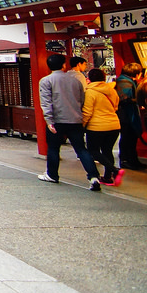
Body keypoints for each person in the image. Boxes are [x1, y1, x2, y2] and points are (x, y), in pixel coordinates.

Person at [37, 54, 102, 191]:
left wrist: (49, 120)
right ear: (64, 65)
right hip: (75, 119)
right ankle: (93, 176)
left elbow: (46, 102)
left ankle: (52, 175)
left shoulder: (46, 81)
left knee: (54, 148)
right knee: (81, 149)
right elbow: (82, 99)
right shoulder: (75, 81)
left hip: (57, 120)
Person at [82, 68, 123, 186]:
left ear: (89, 78)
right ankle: (107, 177)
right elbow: (115, 106)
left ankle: (115, 170)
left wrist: (83, 125)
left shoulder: (90, 92)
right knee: (107, 151)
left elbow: (87, 112)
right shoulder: (111, 90)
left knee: (93, 151)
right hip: (114, 124)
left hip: (96, 126)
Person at [114, 62, 145, 170]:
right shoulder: (125, 82)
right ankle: (126, 160)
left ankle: (132, 160)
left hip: (125, 115)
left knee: (130, 138)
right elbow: (125, 99)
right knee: (128, 138)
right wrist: (139, 101)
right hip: (126, 115)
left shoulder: (123, 80)